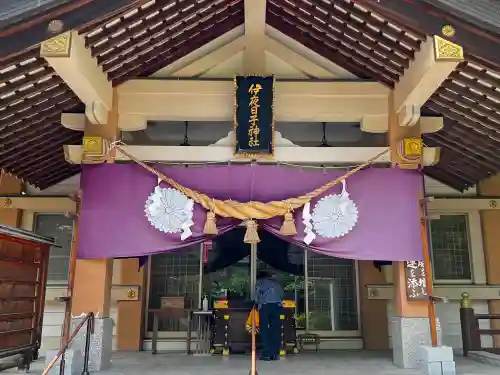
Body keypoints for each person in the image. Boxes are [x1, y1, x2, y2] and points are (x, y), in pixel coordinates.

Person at [254, 270, 283, 361]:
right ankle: (275, 353)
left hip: (265, 306)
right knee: (275, 329)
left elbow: (256, 296)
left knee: (264, 329)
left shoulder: (260, 283)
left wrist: (257, 304)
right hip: (277, 306)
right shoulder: (276, 283)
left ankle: (267, 353)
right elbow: (281, 295)